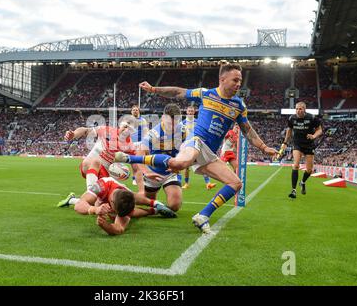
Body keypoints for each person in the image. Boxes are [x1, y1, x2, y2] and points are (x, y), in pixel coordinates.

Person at [114, 63, 278, 233]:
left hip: (209, 153)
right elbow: (178, 92)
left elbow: (248, 131)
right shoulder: (205, 94)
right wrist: (154, 89)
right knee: (179, 164)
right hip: (196, 141)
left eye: (240, 80)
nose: (238, 84)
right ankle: (128, 158)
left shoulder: (239, 106)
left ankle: (203, 216)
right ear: (222, 79)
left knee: (235, 183)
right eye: (235, 80)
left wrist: (264, 148)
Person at [59, 176, 176, 235]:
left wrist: (106, 226)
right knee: (93, 201)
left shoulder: (126, 197)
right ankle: (71, 199)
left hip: (123, 197)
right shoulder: (102, 186)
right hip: (101, 193)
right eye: (116, 213)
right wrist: (95, 209)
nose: (116, 216)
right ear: (112, 203)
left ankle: (154, 209)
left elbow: (119, 229)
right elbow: (79, 206)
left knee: (132, 213)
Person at [64, 120, 145, 192]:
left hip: (105, 176)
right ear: (120, 125)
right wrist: (74, 134)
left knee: (119, 199)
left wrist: (141, 191)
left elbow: (137, 169)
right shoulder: (107, 130)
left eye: (129, 129)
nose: (126, 130)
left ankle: (73, 200)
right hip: (88, 165)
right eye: (125, 127)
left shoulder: (130, 146)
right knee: (94, 162)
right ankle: (91, 194)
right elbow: (85, 130)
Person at [134, 103, 185, 212]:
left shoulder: (183, 132)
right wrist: (146, 172)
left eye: (174, 124)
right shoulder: (154, 133)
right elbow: (140, 152)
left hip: (171, 173)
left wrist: (180, 166)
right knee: (146, 203)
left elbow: (189, 152)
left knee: (175, 206)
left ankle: (158, 209)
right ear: (163, 118)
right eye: (168, 124)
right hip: (153, 173)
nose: (171, 128)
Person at [279, 102, 322, 199]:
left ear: (304, 109)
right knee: (296, 164)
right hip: (297, 143)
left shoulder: (312, 118)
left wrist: (314, 136)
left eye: (300, 109)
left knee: (309, 170)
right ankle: (293, 190)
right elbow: (289, 130)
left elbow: (320, 130)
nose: (298, 111)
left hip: (309, 144)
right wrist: (285, 142)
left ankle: (302, 182)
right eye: (297, 109)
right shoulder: (292, 118)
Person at [180, 105, 216, 190]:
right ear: (186, 112)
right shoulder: (182, 123)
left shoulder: (197, 122)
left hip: (197, 144)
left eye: (192, 111)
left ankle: (208, 183)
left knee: (203, 163)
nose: (190, 113)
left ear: (194, 112)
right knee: (186, 167)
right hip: (187, 145)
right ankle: (186, 183)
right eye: (189, 111)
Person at [130, 104, 149, 185]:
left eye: (136, 110)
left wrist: (145, 141)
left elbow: (146, 131)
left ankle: (144, 177)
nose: (135, 111)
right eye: (133, 110)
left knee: (142, 161)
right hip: (131, 144)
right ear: (131, 111)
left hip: (141, 143)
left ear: (139, 111)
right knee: (133, 162)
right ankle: (134, 178)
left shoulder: (143, 120)